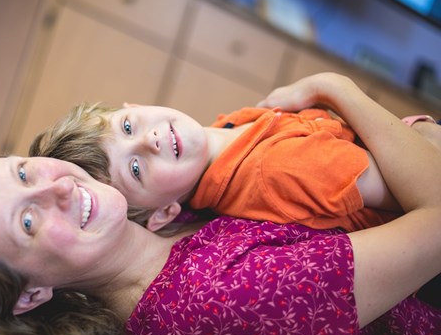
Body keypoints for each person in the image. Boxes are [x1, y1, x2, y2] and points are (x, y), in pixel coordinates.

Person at [0, 73, 440, 335]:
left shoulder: (161, 219)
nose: (56, 186)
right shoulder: (227, 299)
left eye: (23, 171)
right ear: (30, 294)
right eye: (26, 220)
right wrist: (338, 89)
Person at [29, 83, 440, 234]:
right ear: (162, 214)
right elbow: (425, 190)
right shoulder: (277, 169)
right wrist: (332, 88)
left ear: (133, 104)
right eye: (135, 169)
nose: (150, 140)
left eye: (128, 126)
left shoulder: (227, 130)